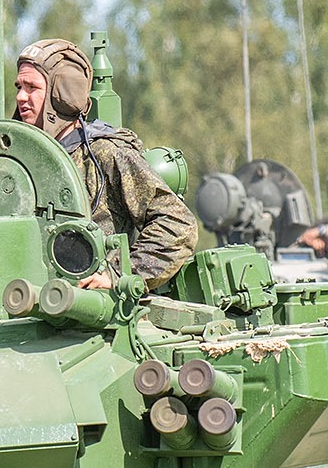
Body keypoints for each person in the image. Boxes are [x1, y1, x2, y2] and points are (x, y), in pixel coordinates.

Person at [11, 38, 197, 292]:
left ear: (62, 95)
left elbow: (177, 224)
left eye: (32, 87)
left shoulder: (104, 154)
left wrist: (119, 275)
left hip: (93, 312)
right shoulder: (18, 162)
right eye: (19, 87)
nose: (21, 97)